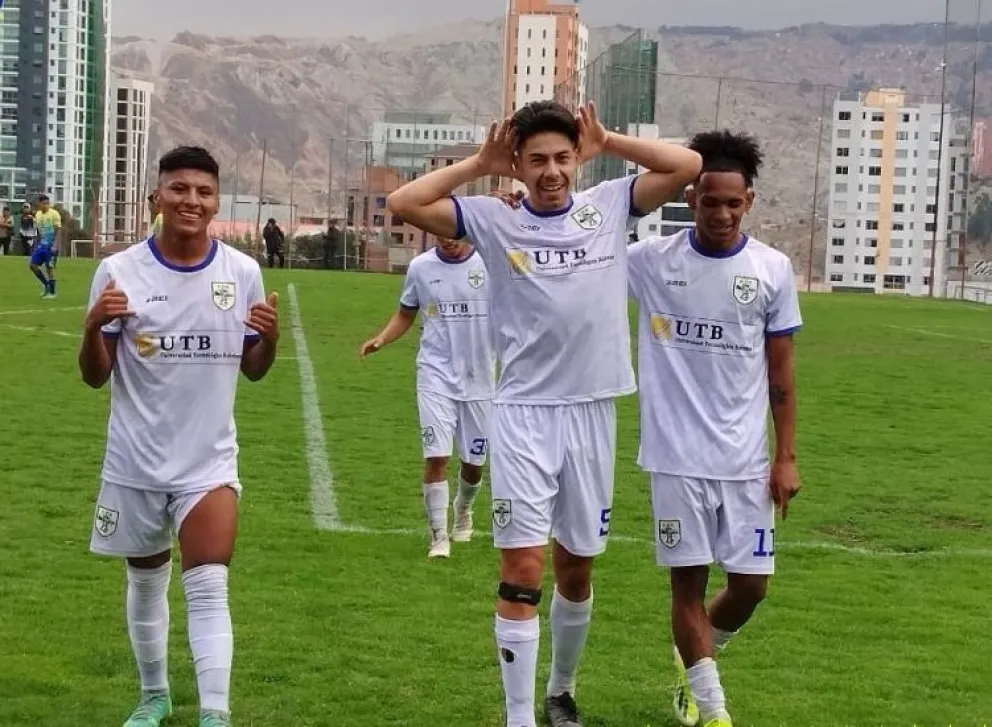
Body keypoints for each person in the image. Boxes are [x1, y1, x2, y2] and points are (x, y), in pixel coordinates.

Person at [386, 100, 702, 727]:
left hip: (592, 413)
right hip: (524, 415)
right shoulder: (492, 219)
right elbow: (404, 204)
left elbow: (687, 165)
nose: (552, 171)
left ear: (576, 159)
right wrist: (478, 164)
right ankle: (519, 717)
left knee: (576, 567)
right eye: (537, 160)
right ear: (519, 165)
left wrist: (608, 140)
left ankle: (561, 690)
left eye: (562, 157)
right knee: (522, 566)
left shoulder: (609, 203)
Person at [79, 145, 279, 727]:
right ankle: (154, 695)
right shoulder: (119, 271)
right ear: (156, 199)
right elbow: (95, 377)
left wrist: (272, 338)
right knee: (146, 582)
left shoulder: (242, 273)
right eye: (179, 189)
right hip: (136, 461)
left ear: (216, 203)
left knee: (209, 585)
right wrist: (93, 325)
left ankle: (215, 713)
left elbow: (255, 369)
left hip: (208, 463)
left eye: (204, 192)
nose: (192, 200)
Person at [626, 130, 802, 727]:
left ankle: (694, 659)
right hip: (675, 459)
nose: (721, 213)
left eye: (733, 203)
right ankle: (712, 708)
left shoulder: (773, 270)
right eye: (709, 201)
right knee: (687, 590)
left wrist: (786, 457)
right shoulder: (651, 262)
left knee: (752, 587)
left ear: (748, 201)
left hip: (746, 462)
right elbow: (584, 256)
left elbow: (781, 375)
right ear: (691, 197)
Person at [359, 236, 494, 558]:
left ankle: (463, 507)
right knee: (436, 456)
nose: (448, 239)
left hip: (480, 379)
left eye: (454, 232)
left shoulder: (490, 262)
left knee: (474, 463)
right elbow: (406, 313)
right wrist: (381, 339)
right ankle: (438, 537)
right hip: (435, 373)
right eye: (440, 232)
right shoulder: (421, 267)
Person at [30, 195, 61, 298]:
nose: (46, 205)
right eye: (44, 203)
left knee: (49, 267)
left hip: (50, 246)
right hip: (41, 245)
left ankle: (52, 293)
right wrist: (36, 244)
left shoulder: (54, 214)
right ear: (40, 204)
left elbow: (58, 230)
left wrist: (55, 245)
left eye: (47, 203)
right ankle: (46, 285)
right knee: (33, 265)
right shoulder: (38, 215)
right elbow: (38, 231)